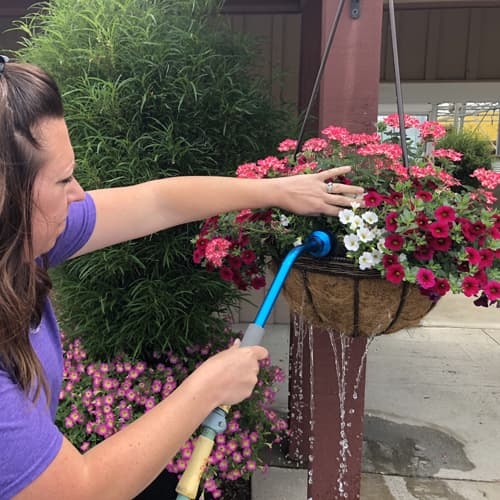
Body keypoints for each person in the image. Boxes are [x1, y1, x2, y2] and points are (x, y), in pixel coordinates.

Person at [0, 57, 364, 500]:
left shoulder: (21, 246)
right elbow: (81, 491)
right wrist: (207, 387)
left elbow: (157, 202)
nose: (78, 193)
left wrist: (277, 189)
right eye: (62, 179)